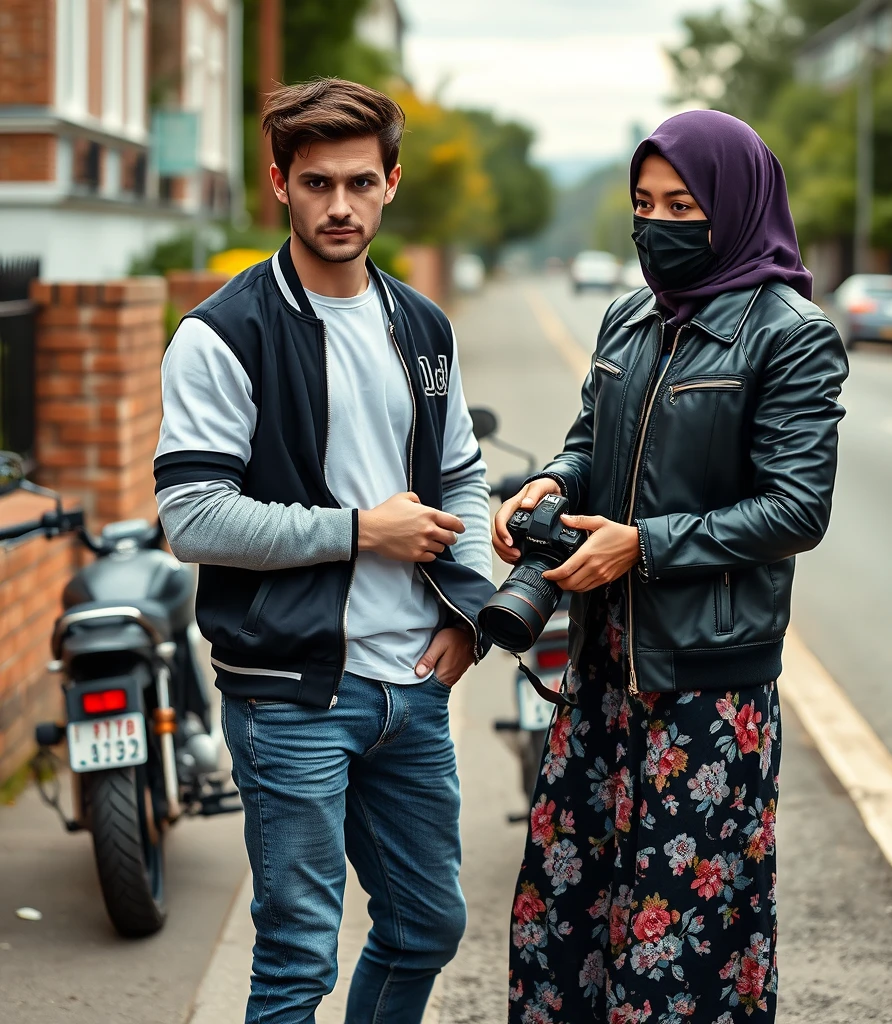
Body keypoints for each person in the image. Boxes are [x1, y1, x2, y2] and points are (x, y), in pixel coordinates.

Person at [495, 110, 848, 1023]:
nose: (657, 224)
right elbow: (589, 446)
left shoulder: (790, 334)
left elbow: (794, 509)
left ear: (732, 206)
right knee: (564, 919)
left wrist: (643, 544)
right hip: (604, 666)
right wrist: (546, 485)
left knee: (677, 937)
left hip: (704, 693)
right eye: (643, 203)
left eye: (682, 204)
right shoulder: (629, 314)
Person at [155, 78, 494, 1024]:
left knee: (427, 925)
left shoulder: (423, 328)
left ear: (390, 183)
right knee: (299, 957)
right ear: (279, 184)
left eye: (358, 182)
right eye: (315, 184)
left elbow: (461, 477)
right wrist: (359, 529)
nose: (338, 206)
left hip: (412, 690)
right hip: (293, 691)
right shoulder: (225, 334)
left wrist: (465, 611)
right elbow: (193, 517)